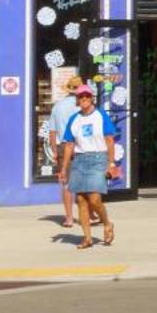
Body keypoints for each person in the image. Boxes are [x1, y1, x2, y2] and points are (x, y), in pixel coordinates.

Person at [57, 85, 119, 249]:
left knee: (94, 198)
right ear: (77, 100)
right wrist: (63, 169)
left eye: (86, 96)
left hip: (98, 158)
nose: (83, 99)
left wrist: (111, 163)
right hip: (80, 160)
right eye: (80, 97)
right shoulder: (74, 119)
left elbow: (109, 140)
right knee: (80, 199)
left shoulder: (100, 115)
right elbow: (69, 145)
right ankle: (87, 238)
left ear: (91, 98)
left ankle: (107, 223)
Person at [47, 77, 80, 226]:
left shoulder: (57, 106)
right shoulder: (83, 107)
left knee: (66, 183)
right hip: (81, 146)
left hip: (62, 145)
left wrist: (54, 150)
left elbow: (52, 132)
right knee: (84, 182)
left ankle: (69, 217)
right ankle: (89, 214)